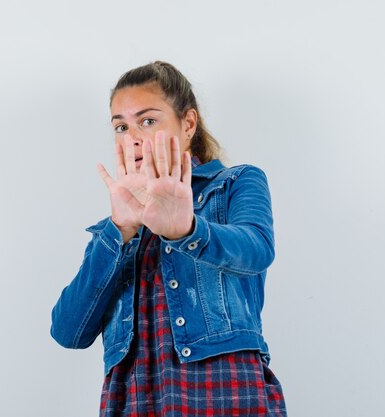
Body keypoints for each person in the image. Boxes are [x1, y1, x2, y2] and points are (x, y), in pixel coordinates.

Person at [50, 61, 288, 417]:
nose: (132, 137)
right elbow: (68, 331)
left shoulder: (235, 183)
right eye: (121, 126)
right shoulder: (114, 228)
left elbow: (256, 248)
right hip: (133, 399)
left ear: (188, 123)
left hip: (225, 392)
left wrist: (187, 230)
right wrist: (120, 229)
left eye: (148, 121)